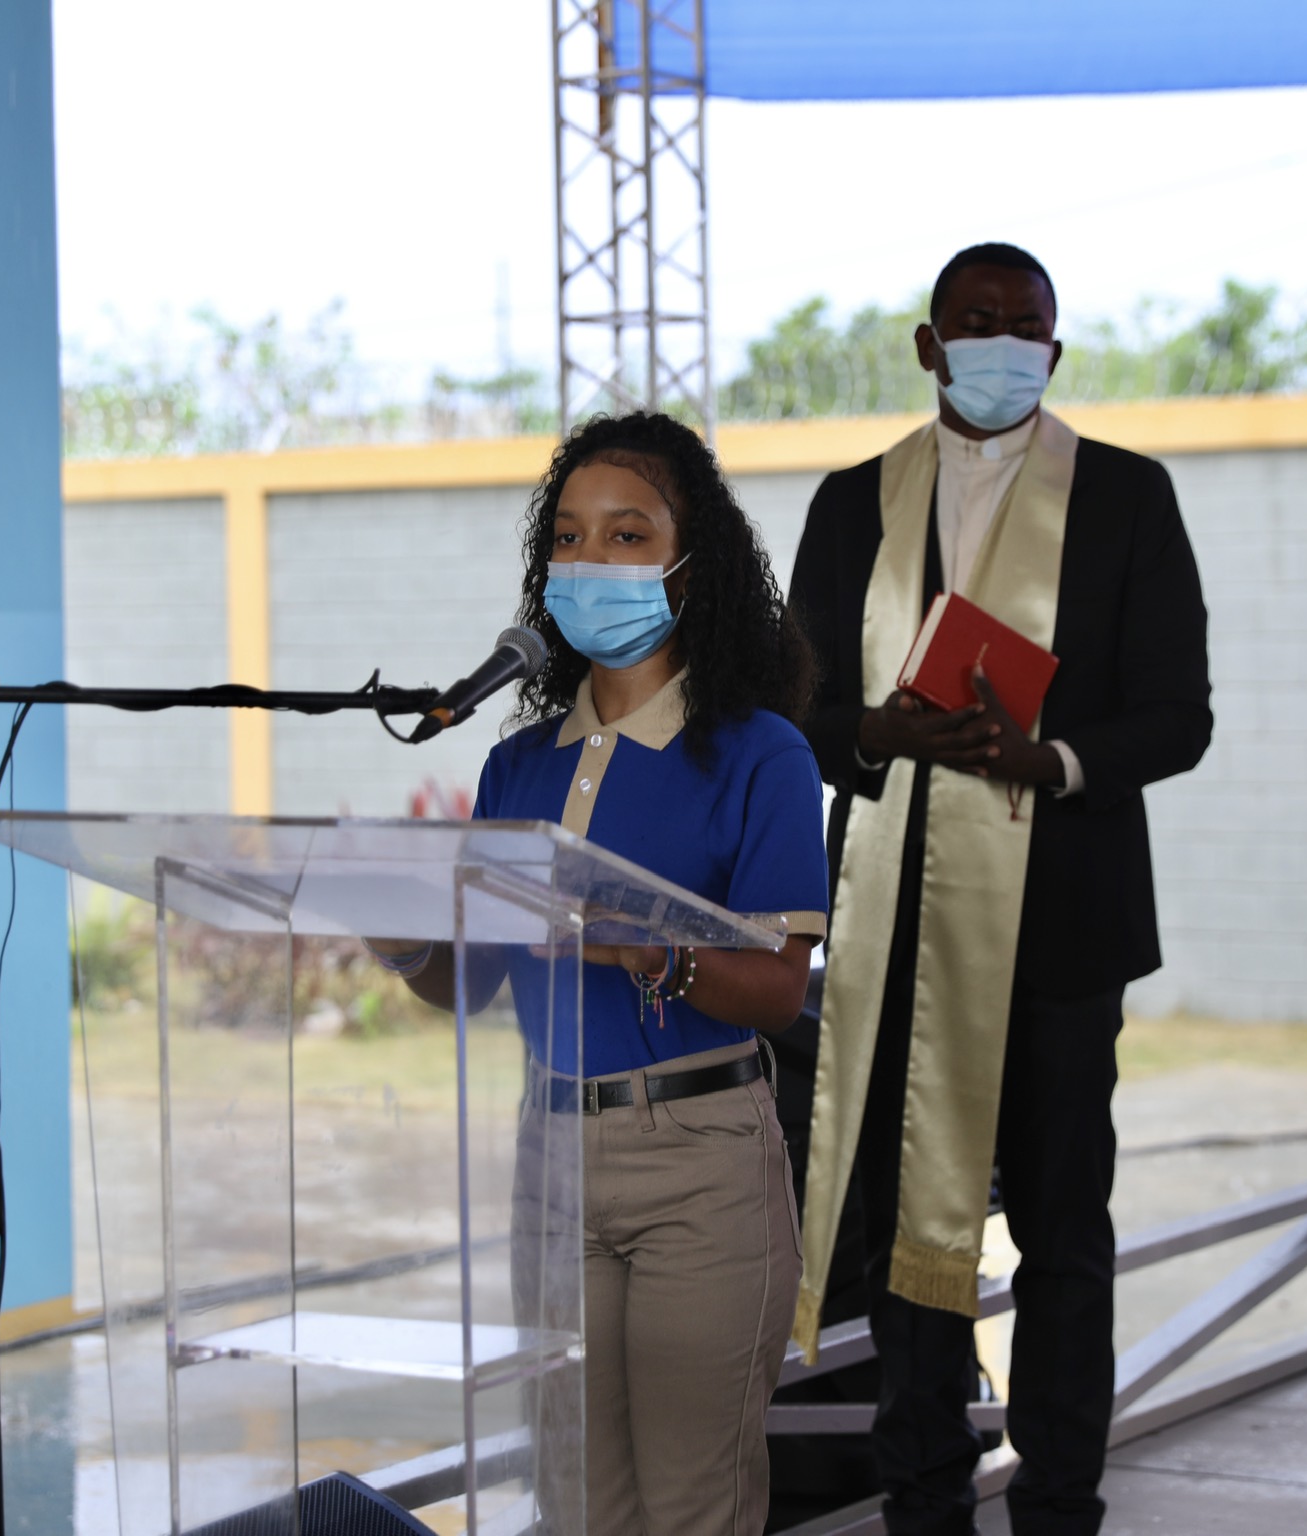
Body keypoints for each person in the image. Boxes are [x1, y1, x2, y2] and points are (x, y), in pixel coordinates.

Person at [786, 242, 1212, 1536]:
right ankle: (924, 1501)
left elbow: (1179, 715)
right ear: (930, 346)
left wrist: (1051, 759)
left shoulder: (1127, 496)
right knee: (905, 1242)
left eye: (1027, 327)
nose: (1003, 346)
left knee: (1066, 1236)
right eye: (977, 323)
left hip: (1064, 930)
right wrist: (878, 731)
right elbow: (794, 712)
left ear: (1055, 351)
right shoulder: (852, 502)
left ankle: (1061, 1503)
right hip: (898, 928)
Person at [373, 410, 827, 1534]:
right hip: (548, 1160)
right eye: (568, 538)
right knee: (575, 1506)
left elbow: (779, 990)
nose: (591, 561)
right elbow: (471, 985)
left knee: (690, 1505)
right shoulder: (515, 764)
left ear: (691, 565)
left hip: (699, 1163)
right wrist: (399, 935)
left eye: (628, 535)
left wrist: (648, 950)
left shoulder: (761, 753)